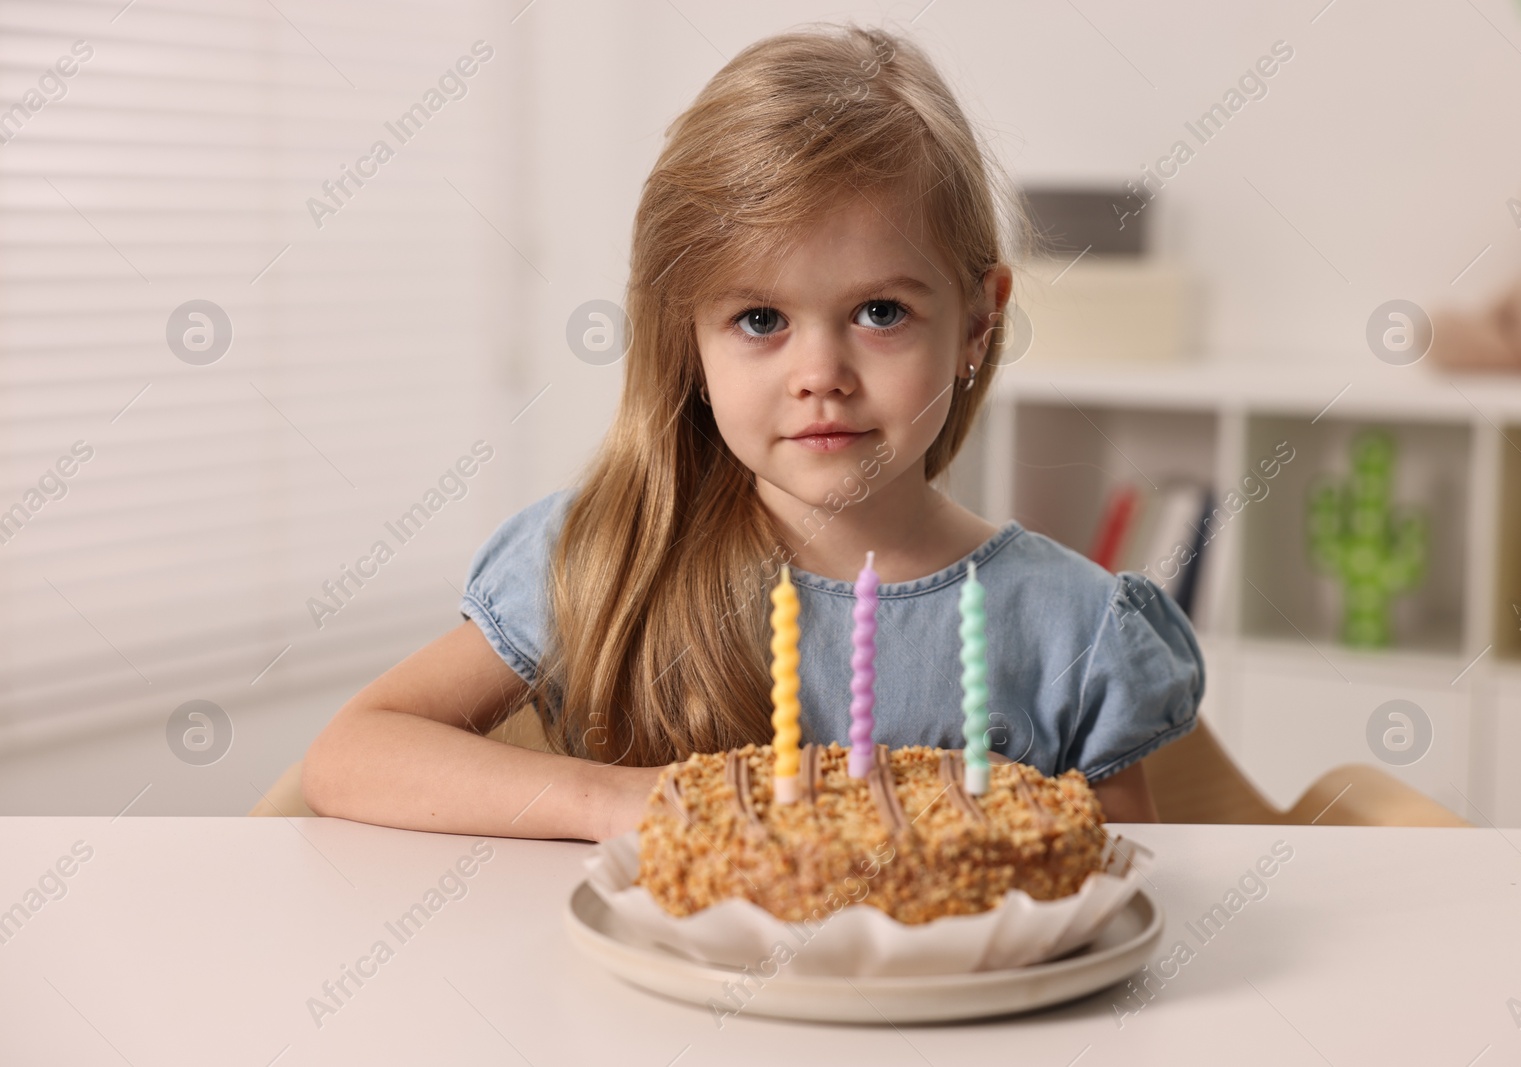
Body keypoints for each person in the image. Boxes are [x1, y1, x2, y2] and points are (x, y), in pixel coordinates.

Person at [302, 24, 1204, 840]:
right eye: (761, 320)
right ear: (686, 340)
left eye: (880, 310)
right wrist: (614, 801)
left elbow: (1116, 893)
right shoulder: (610, 555)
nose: (820, 373)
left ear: (976, 322)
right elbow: (353, 751)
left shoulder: (1075, 631)